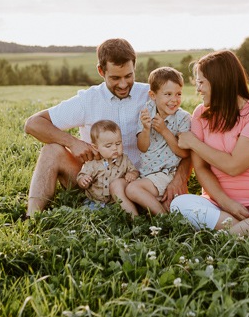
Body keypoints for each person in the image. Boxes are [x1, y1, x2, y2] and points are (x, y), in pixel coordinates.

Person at [24, 38, 190, 217]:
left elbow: (187, 139)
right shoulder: (88, 100)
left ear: (134, 67)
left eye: (128, 76)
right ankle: (32, 218)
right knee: (51, 151)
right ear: (101, 71)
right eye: (115, 78)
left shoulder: (152, 94)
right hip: (95, 179)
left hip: (140, 181)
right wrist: (72, 142)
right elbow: (33, 124)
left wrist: (180, 179)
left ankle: (138, 213)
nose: (123, 84)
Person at [170, 50, 249, 230]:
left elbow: (234, 166)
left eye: (201, 82)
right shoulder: (201, 114)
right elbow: (201, 168)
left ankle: (237, 229)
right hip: (219, 206)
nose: (198, 89)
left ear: (220, 82)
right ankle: (246, 229)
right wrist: (227, 203)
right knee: (179, 204)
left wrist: (193, 142)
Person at [125, 67, 191, 215]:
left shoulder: (183, 118)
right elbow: (142, 147)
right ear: (153, 95)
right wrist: (146, 130)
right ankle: (139, 219)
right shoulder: (147, 111)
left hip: (166, 173)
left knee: (132, 189)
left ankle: (163, 218)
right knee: (120, 186)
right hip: (146, 173)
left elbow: (184, 153)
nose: (174, 99)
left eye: (178, 94)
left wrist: (164, 131)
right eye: (168, 94)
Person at [77, 120, 140, 215]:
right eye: (108, 146)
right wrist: (83, 180)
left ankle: (127, 217)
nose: (115, 148)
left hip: (116, 202)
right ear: (96, 147)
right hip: (96, 201)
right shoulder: (93, 164)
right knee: (87, 212)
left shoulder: (124, 160)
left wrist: (132, 174)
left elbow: (134, 171)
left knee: (121, 211)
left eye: (118, 143)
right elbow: (82, 176)